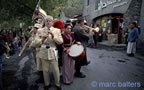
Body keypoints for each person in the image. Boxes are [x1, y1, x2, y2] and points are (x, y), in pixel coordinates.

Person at [32, 15, 63, 90]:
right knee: (45, 70)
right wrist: (42, 39)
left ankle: (57, 84)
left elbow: (60, 42)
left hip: (53, 52)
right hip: (43, 52)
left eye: (50, 21)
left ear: (52, 23)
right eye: (47, 21)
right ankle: (47, 84)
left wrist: (53, 36)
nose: (48, 22)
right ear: (45, 22)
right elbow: (35, 43)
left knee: (56, 70)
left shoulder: (57, 30)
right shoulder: (40, 30)